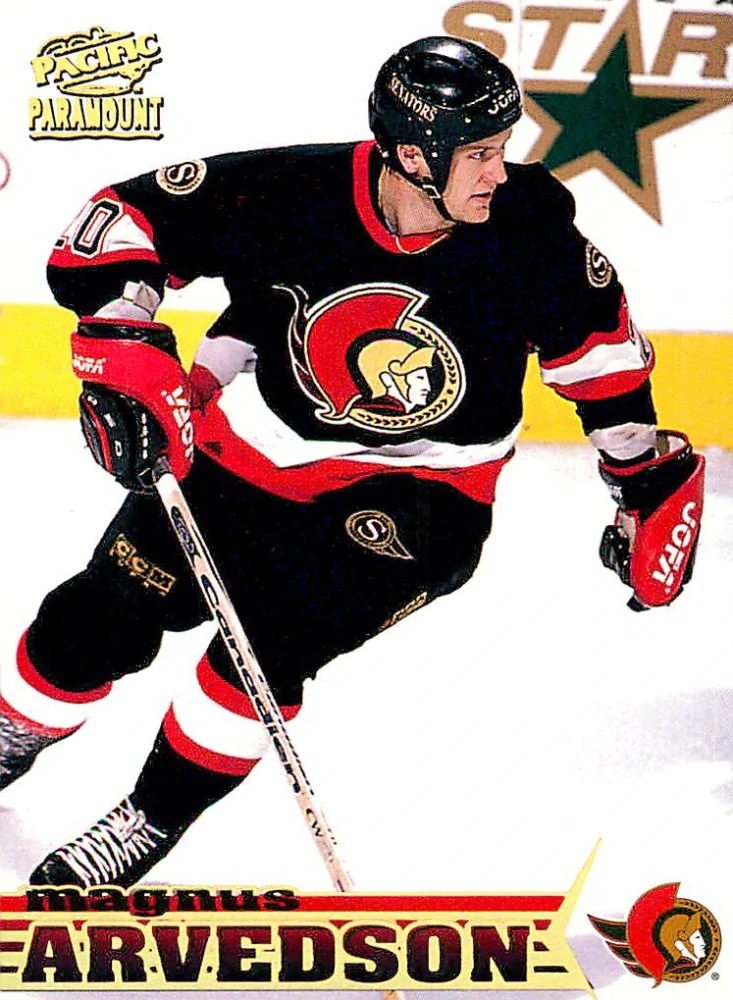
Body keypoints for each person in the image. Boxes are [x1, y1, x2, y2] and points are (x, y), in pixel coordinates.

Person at [0, 37, 704, 888]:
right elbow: (120, 219)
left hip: (426, 497)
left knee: (264, 650)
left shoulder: (530, 232)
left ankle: (148, 817)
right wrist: (125, 325)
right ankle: (13, 734)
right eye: (478, 154)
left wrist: (638, 479)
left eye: (500, 149)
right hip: (249, 457)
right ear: (412, 155)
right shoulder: (292, 191)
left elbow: (601, 364)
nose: (499, 171)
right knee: (96, 618)